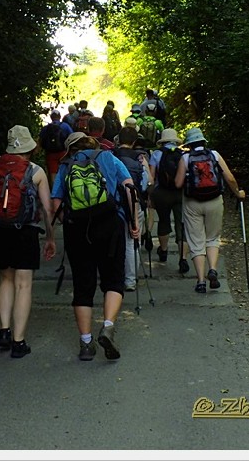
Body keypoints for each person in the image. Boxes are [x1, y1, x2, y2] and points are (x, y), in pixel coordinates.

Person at [0, 125, 56, 358]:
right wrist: (50, 237)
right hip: (25, 232)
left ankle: (4, 331)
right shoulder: (36, 171)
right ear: (30, 147)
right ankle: (18, 342)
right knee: (23, 284)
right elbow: (47, 209)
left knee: (6, 278)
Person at [51, 132, 139, 361]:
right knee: (113, 279)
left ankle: (86, 343)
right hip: (109, 225)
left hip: (77, 230)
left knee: (83, 284)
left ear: (71, 148)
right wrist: (133, 223)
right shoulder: (109, 158)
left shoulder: (66, 166)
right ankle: (108, 327)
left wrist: (69, 221)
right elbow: (129, 187)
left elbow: (56, 202)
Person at [174, 127, 244, 294]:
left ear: (189, 144)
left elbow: (178, 183)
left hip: (192, 203)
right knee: (212, 238)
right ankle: (212, 269)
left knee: (196, 241)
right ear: (203, 141)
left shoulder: (185, 158)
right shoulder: (214, 155)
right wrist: (238, 193)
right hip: (214, 201)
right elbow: (230, 178)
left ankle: (201, 281)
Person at [113, 126, 151, 291]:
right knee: (132, 242)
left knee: (113, 241)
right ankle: (130, 280)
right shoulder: (140, 158)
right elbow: (148, 182)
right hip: (135, 204)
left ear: (118, 140)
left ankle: (114, 276)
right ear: (135, 141)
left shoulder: (110, 156)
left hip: (113, 206)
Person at [148, 128, 186, 271]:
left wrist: (150, 195)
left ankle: (163, 251)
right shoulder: (182, 154)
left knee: (163, 221)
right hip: (179, 192)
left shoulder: (156, 154)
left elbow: (151, 177)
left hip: (162, 193)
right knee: (181, 224)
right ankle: (183, 258)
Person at [39, 109, 73, 186]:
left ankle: (54, 190)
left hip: (50, 154)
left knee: (52, 174)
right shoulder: (65, 126)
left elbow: (40, 140)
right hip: (63, 153)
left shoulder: (46, 128)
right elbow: (72, 136)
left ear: (51, 117)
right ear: (60, 117)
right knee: (65, 171)